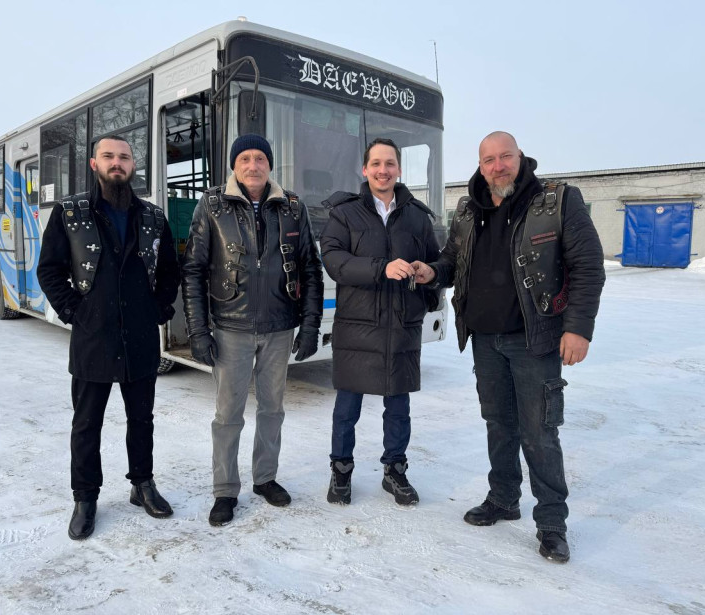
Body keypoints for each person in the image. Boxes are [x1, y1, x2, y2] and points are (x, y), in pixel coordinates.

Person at [413, 131, 605, 562]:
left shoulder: (556, 202)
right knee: (498, 423)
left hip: (533, 340)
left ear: (521, 157)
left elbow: (589, 267)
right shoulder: (469, 208)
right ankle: (503, 498)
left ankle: (552, 523)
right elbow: (453, 260)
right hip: (484, 339)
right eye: (489, 160)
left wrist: (578, 329)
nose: (498, 166)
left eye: (505, 157)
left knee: (539, 431)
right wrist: (433, 272)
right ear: (480, 166)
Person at [38, 135, 180, 540]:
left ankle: (142, 484)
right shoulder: (70, 212)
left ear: (133, 165)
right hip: (92, 338)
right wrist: (75, 312)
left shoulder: (153, 216)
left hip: (140, 338)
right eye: (108, 156)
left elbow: (170, 271)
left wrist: (158, 310)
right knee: (86, 424)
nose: (117, 163)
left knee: (142, 419)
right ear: (94, 164)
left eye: (124, 157)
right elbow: (49, 270)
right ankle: (85, 498)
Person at [182, 134, 323, 526]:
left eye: (260, 158)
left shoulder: (293, 207)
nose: (253, 165)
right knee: (228, 415)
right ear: (234, 165)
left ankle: (265, 478)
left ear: (270, 164)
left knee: (272, 410)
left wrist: (310, 326)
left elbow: (311, 268)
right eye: (244, 158)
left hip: (279, 327)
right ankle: (225, 490)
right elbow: (193, 270)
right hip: (231, 327)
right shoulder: (212, 205)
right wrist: (198, 331)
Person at [320, 138, 440, 506]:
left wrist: (428, 273)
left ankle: (395, 471)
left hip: (402, 326)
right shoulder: (345, 213)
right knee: (347, 409)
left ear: (399, 169)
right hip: (357, 325)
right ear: (365, 169)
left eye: (389, 163)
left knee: (399, 408)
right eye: (376, 163)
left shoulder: (418, 216)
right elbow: (334, 260)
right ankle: (341, 471)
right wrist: (380, 268)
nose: (383, 170)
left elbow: (437, 262)